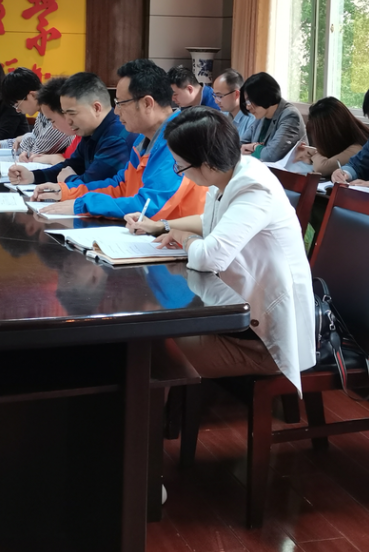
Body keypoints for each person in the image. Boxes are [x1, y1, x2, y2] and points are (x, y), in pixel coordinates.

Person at [124, 107, 317, 390]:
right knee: (148, 336)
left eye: (181, 166)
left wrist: (182, 237)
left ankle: (151, 415)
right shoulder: (228, 174)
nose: (180, 173)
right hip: (238, 314)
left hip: (264, 339)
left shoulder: (254, 188)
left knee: (150, 346)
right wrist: (161, 226)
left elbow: (209, 258)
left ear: (207, 164)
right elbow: (210, 221)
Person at [37, 59, 208, 220]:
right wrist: (66, 191)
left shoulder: (181, 142)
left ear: (147, 103)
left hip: (173, 238)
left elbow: (149, 206)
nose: (116, 111)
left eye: (121, 103)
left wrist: (84, 205)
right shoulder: (142, 140)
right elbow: (121, 186)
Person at [12, 72, 130, 187]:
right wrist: (32, 176)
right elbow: (72, 166)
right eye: (65, 113)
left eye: (72, 113)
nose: (68, 121)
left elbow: (91, 185)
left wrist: (68, 178)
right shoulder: (90, 132)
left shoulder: (116, 137)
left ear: (96, 108)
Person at [0, 67, 72, 159]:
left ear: (33, 95)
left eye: (17, 105)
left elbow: (34, 153)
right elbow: (32, 137)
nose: (17, 110)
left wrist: (24, 138)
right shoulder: (42, 113)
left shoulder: (56, 117)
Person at [293, 96, 369, 178]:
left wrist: (315, 152)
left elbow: (322, 168)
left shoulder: (359, 148)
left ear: (329, 135)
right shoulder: (344, 143)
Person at [240, 73, 304, 163]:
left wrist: (254, 147)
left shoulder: (290, 115)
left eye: (250, 101)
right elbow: (240, 144)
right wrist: (244, 149)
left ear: (263, 96)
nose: (247, 107)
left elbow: (271, 156)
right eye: (246, 102)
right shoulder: (261, 115)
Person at [212, 68, 258, 143]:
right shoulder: (222, 115)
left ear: (236, 94)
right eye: (215, 96)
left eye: (220, 96)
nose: (216, 101)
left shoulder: (252, 120)